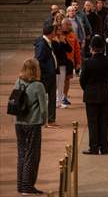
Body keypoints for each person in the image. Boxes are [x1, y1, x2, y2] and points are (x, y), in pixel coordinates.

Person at [14, 58, 48, 195]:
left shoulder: (18, 82)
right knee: (32, 155)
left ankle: (20, 185)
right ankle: (28, 186)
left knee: (21, 153)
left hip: (18, 123)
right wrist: (44, 121)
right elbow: (43, 108)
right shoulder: (38, 86)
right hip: (32, 123)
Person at [79, 36, 108, 155]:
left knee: (93, 122)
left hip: (91, 94)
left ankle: (93, 147)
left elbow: (82, 80)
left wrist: (88, 89)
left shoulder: (88, 63)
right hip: (104, 93)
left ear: (92, 48)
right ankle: (104, 147)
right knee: (104, 121)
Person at [34, 25, 60, 128]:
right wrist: (47, 71)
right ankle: (43, 120)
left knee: (52, 98)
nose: (56, 33)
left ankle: (51, 120)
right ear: (50, 33)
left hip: (51, 75)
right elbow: (38, 59)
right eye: (54, 31)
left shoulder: (48, 42)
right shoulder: (42, 43)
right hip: (45, 76)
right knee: (44, 98)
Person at [59, 18, 80, 107]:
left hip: (69, 61)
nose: (68, 26)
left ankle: (65, 96)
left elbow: (77, 50)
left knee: (67, 80)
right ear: (62, 25)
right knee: (59, 80)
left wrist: (78, 63)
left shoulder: (72, 35)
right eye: (66, 24)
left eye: (69, 25)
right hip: (59, 62)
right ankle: (58, 97)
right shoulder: (57, 35)